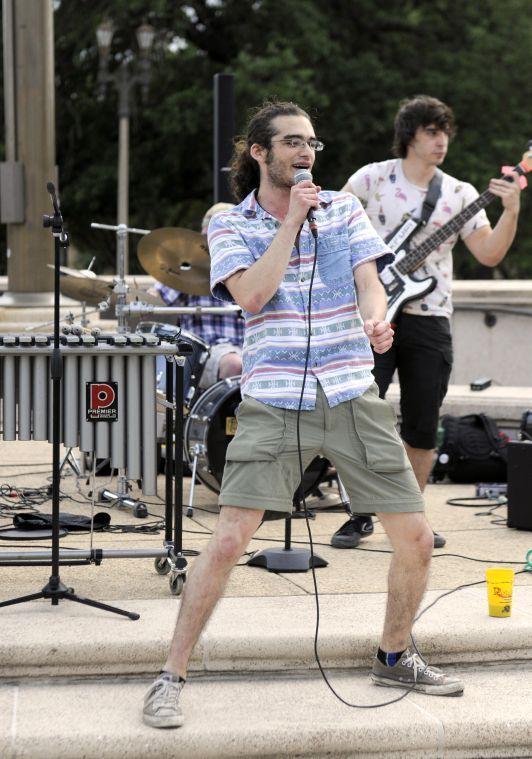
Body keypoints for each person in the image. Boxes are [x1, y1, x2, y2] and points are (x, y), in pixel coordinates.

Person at [142, 100, 464, 730]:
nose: (306, 152)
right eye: (291, 142)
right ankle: (170, 675)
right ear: (259, 152)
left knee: (417, 539)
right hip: (275, 393)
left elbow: (369, 277)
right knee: (231, 538)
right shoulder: (233, 225)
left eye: (311, 142)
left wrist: (376, 315)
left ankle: (394, 656)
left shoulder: (343, 208)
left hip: (349, 388)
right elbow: (255, 296)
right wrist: (290, 224)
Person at [330, 95, 523, 551]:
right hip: (370, 316)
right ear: (410, 135)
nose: (442, 141)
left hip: (429, 316)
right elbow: (329, 229)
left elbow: (490, 253)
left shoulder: (458, 192)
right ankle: (360, 514)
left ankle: (411, 518)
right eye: (432, 132)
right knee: (360, 415)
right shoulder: (371, 179)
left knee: (421, 421)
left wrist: (511, 211)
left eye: (445, 133)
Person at [151, 202, 244, 388]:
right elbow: (152, 301)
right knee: (236, 365)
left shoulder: (249, 265)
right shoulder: (188, 270)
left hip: (251, 348)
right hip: (205, 354)